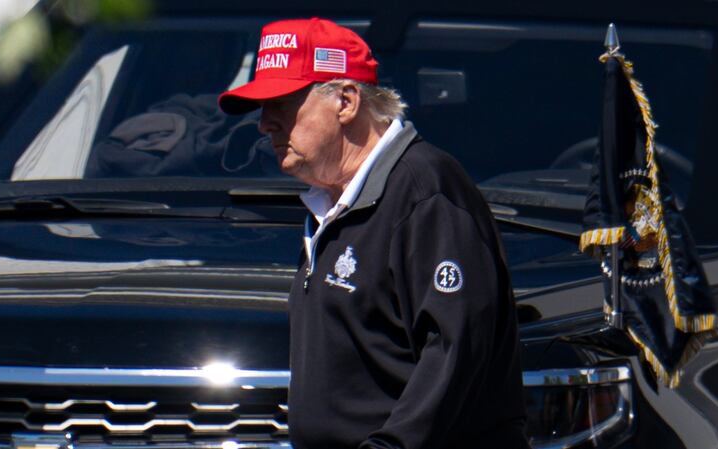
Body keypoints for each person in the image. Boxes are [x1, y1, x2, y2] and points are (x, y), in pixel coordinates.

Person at [219, 17, 529, 449]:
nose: (265, 124)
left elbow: (455, 351)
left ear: (346, 102)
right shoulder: (331, 205)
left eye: (282, 104)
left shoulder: (425, 192)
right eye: (263, 108)